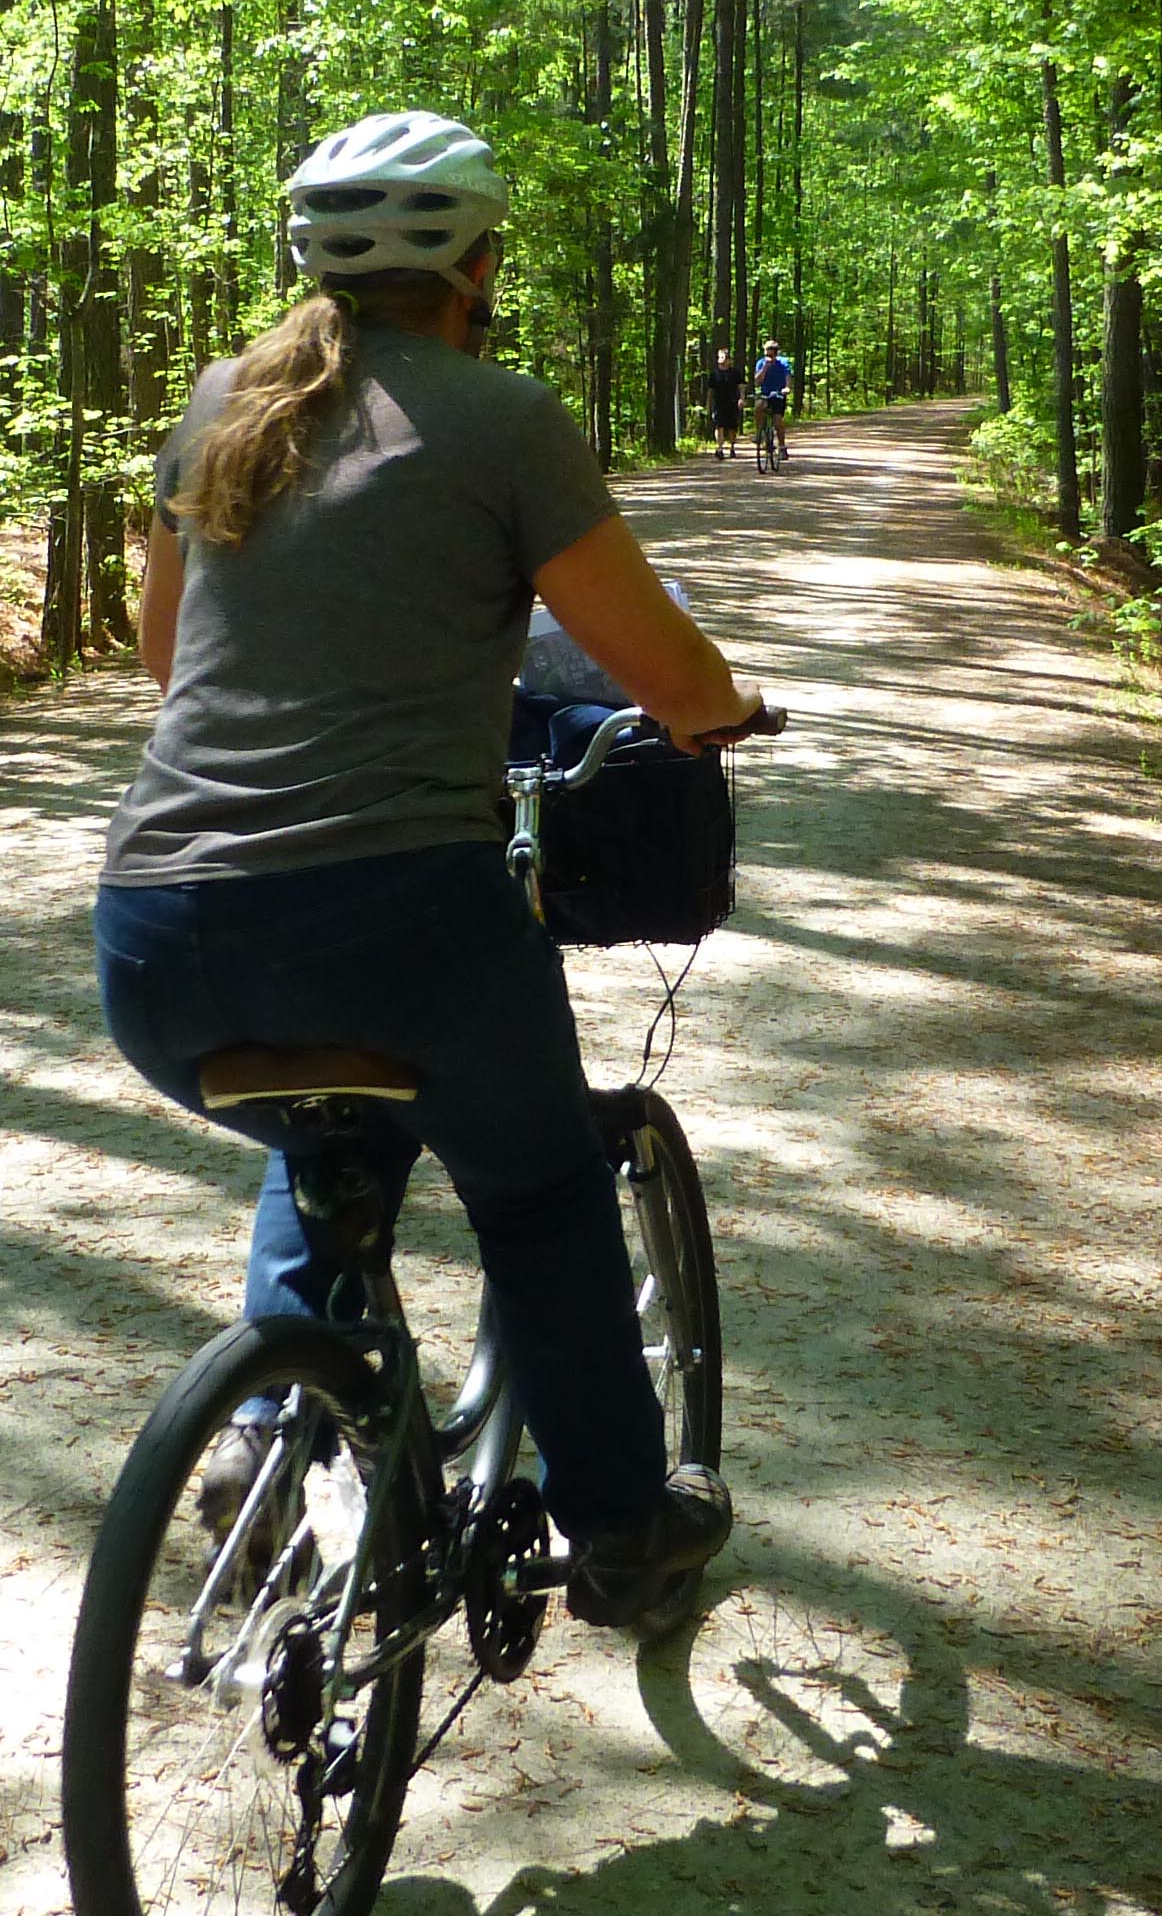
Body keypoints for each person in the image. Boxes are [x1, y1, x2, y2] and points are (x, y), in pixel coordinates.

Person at [99, 109, 761, 1632]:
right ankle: (618, 1528)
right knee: (536, 1193)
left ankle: (271, 1436)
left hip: (154, 935)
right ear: (477, 263)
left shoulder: (219, 405)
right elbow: (654, 664)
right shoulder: (497, 415)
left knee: (319, 1134)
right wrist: (718, 709)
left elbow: (160, 651)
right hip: (405, 914)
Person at [751, 345, 795, 467]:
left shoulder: (783, 362)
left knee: (777, 421)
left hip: (778, 393)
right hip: (765, 393)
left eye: (770, 355)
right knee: (758, 406)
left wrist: (787, 387)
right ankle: (759, 432)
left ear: (776, 354)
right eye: (766, 354)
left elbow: (788, 376)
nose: (768, 357)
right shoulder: (761, 363)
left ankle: (782, 447)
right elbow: (757, 381)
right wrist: (765, 367)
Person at [700, 346, 747, 456]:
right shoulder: (714, 374)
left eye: (723, 357)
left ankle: (732, 447)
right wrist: (708, 404)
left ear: (729, 360)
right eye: (719, 357)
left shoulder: (735, 373)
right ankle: (720, 448)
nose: (721, 359)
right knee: (719, 425)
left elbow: (741, 387)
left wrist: (741, 398)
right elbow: (710, 391)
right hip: (718, 403)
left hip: (732, 402)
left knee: (732, 427)